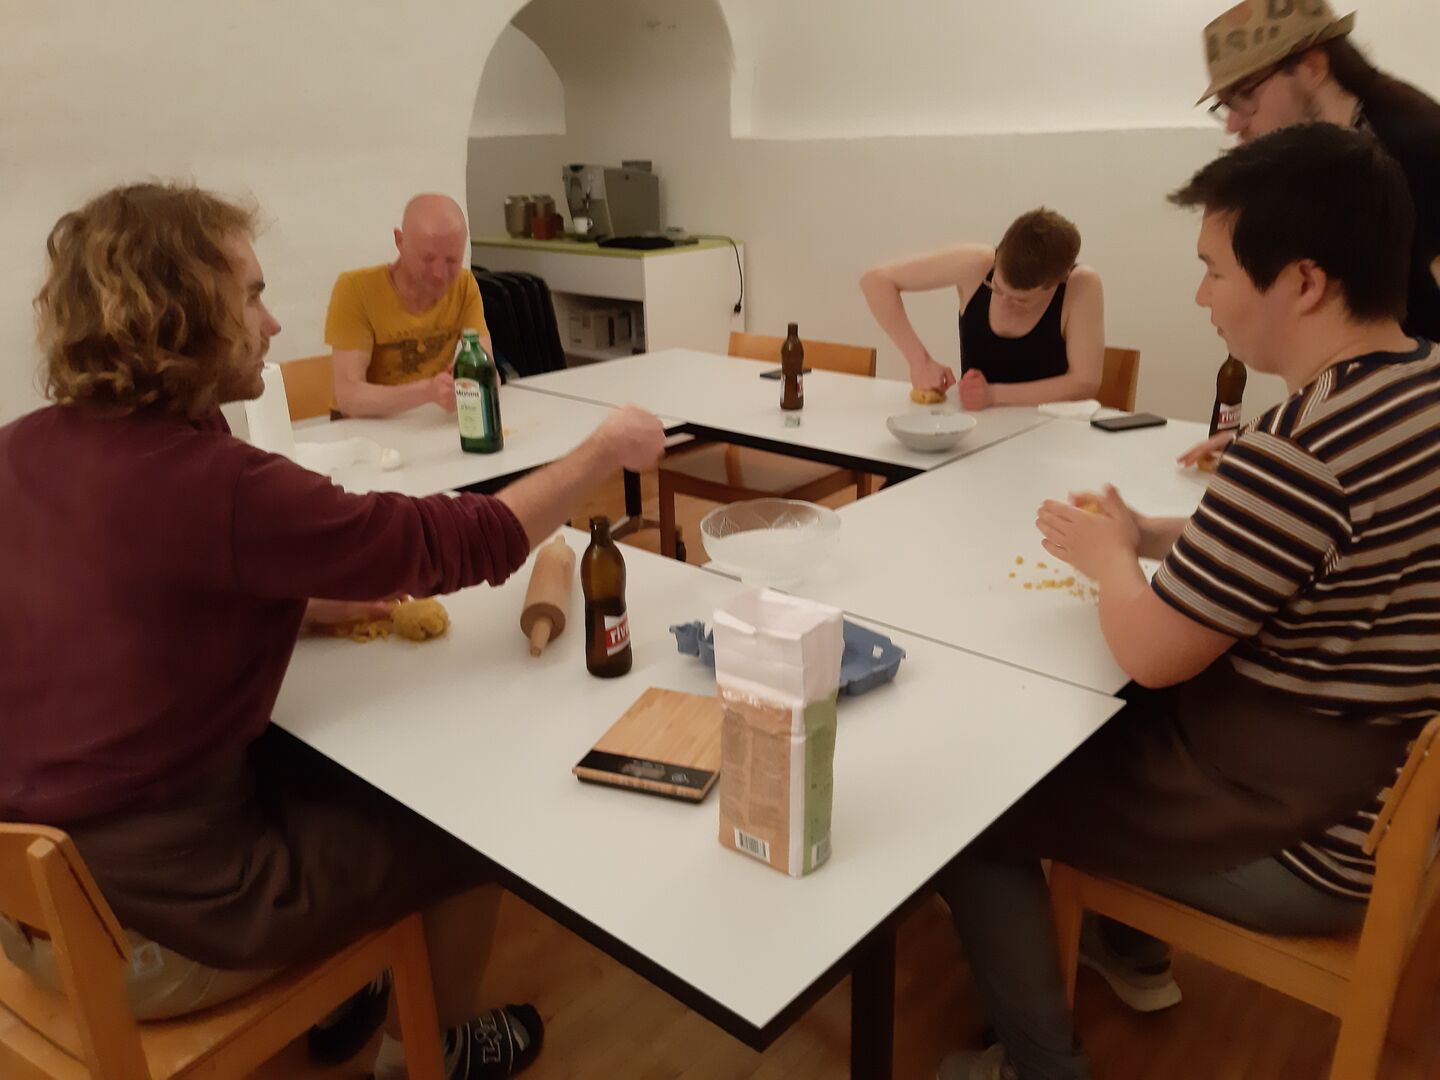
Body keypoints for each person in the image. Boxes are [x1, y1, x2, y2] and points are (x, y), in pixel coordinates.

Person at [0, 182, 667, 1079]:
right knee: (469, 828)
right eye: (251, 297)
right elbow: (459, 540)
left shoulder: (20, 447)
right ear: (181, 315)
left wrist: (302, 603)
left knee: (324, 767)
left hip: (28, 914)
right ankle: (433, 1050)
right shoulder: (220, 487)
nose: (273, 324)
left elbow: (128, 592)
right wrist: (600, 451)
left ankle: (355, 979)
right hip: (154, 942)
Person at [936, 124, 1439, 1080]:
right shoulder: (1416, 385)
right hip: (1375, 792)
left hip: (1308, 838)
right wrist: (1151, 533)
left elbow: (1150, 651)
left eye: (1213, 271)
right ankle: (1131, 952)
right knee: (1098, 730)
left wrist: (1107, 557)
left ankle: (1040, 1068)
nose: (1200, 297)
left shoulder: (1301, 452)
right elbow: (1301, 553)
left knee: (974, 809)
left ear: (1302, 282)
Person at [1181, 0, 1440, 468]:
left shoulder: (1416, 142)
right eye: (1226, 105)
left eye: (1246, 95)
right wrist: (1281, 441)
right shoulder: (1327, 162)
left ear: (1314, 67)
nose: (1235, 123)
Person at [859, 208, 1105, 410]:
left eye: (1020, 300)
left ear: (1060, 280)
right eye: (995, 287)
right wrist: (919, 361)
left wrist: (994, 394)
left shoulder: (1080, 284)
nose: (1004, 302)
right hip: (977, 427)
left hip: (1048, 430)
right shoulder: (977, 263)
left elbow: (1085, 382)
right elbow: (876, 281)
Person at [327, 193, 493, 417]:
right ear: (400, 241)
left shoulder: (463, 285)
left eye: (452, 260)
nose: (439, 274)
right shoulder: (356, 289)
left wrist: (473, 379)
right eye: (427, 259)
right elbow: (349, 397)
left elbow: (488, 370)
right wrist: (427, 391)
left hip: (428, 421)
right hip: (363, 427)